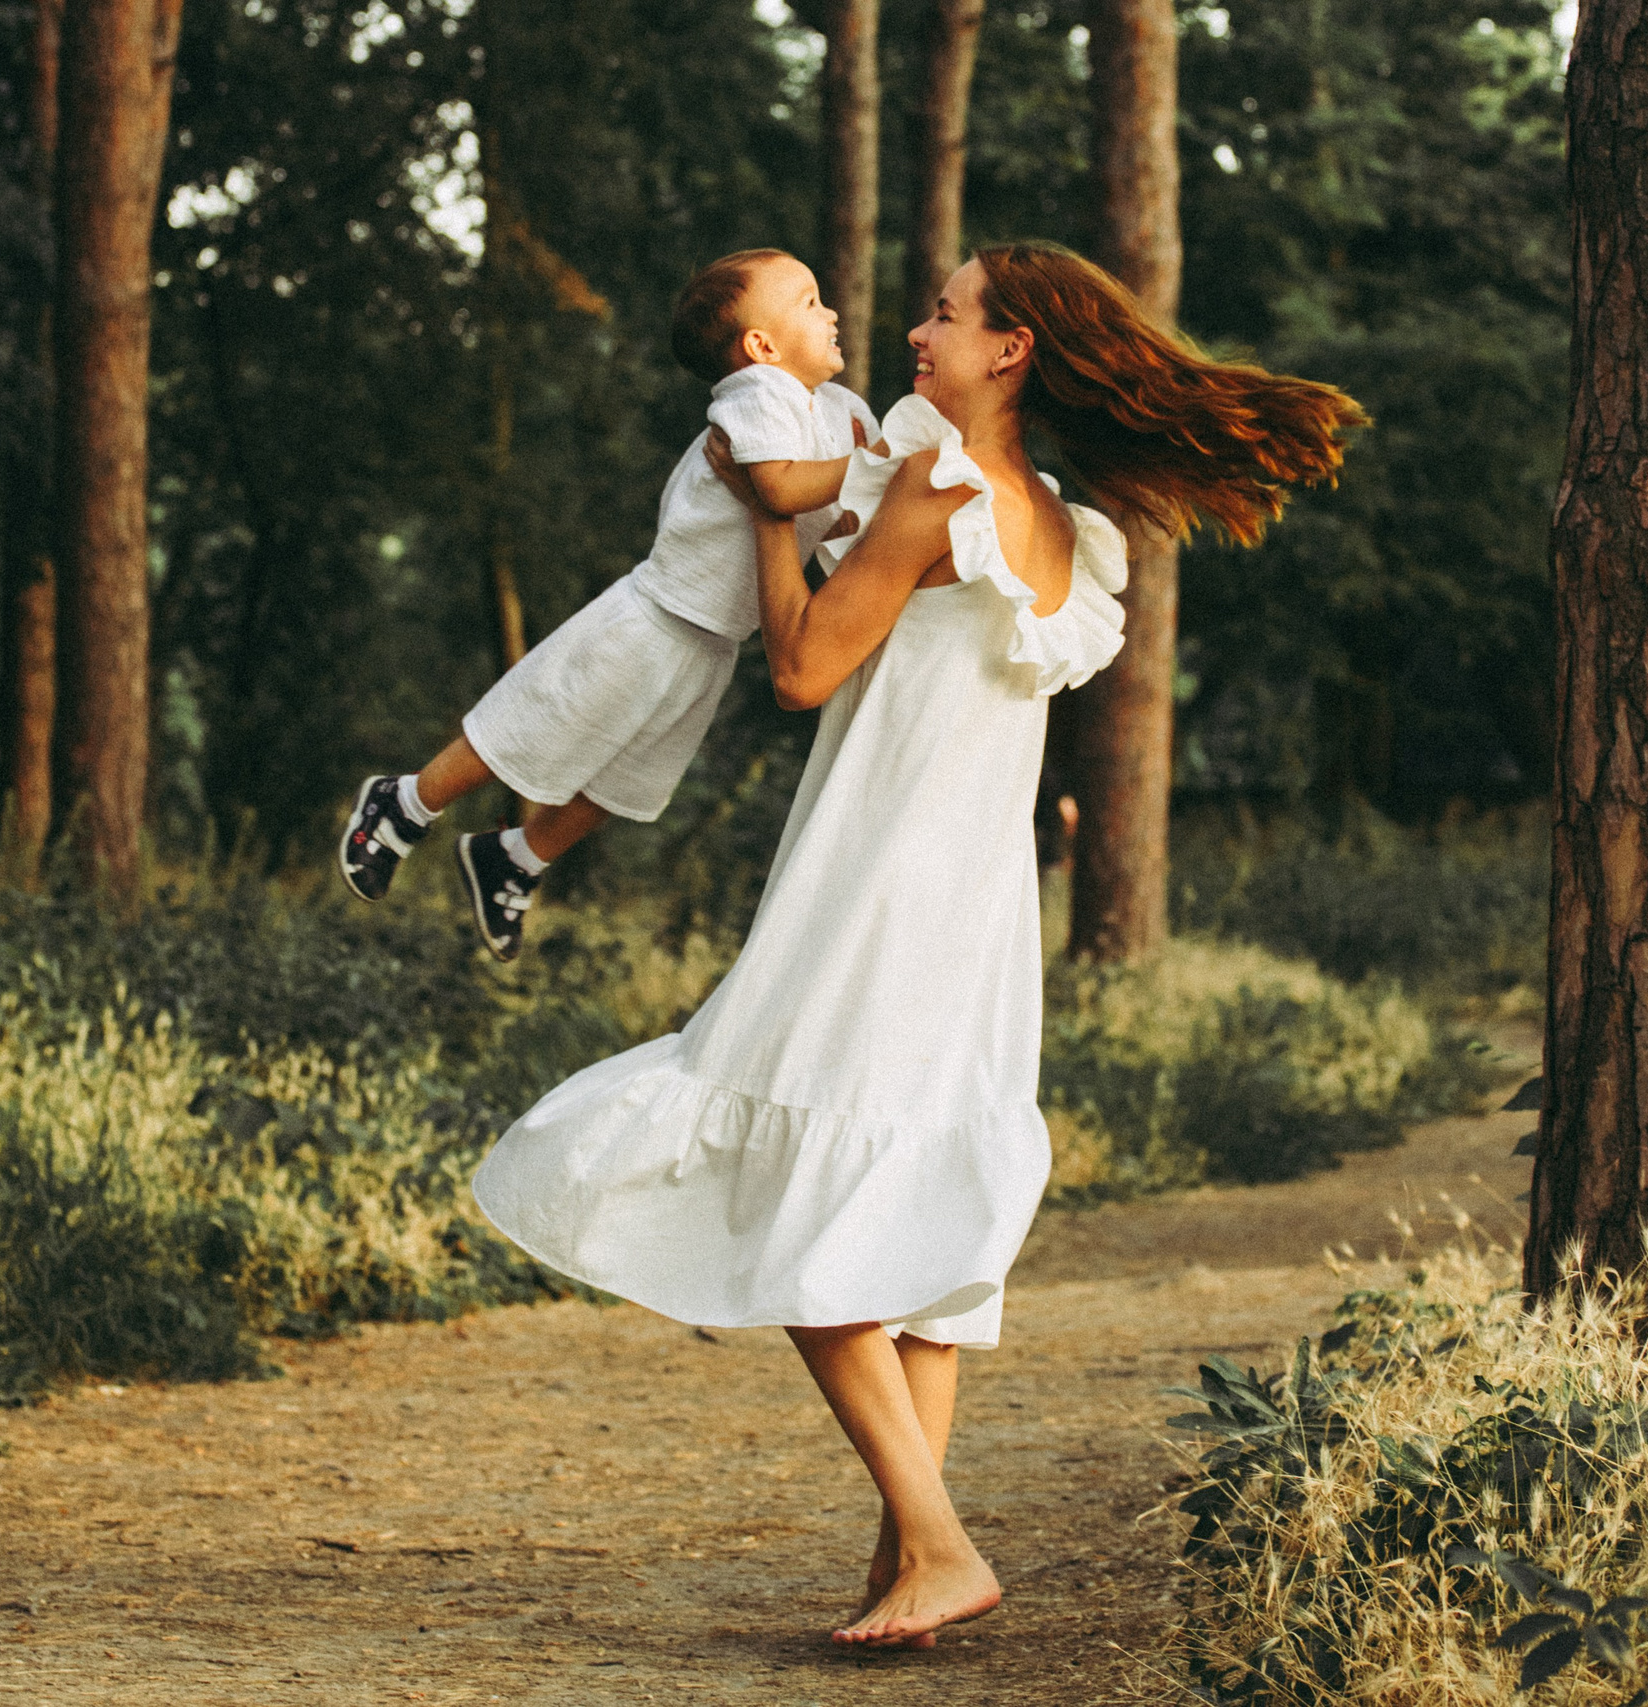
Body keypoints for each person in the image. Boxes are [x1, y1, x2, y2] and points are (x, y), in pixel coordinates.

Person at [472, 241, 1365, 1648]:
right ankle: (907, 1568)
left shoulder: (931, 488)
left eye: (945, 313)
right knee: (921, 1228)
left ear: (1008, 351)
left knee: (798, 1196)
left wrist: (757, 510)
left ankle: (940, 1541)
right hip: (980, 899)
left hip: (877, 876)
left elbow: (802, 666)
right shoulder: (1057, 521)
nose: (915, 324)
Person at [335, 248, 877, 962]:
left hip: (715, 640)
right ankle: (404, 803)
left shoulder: (841, 415)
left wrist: (868, 485)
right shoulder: (760, 394)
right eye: (810, 301)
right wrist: (880, 464)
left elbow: (837, 520)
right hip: (655, 616)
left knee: (632, 777)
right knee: (540, 719)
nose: (832, 310)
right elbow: (778, 489)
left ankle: (516, 858)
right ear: (761, 346)